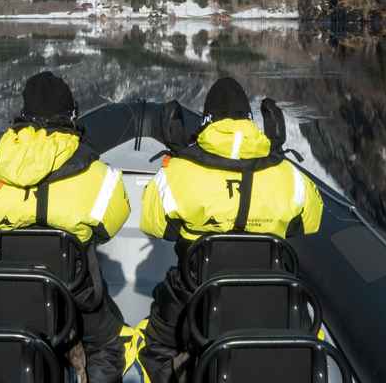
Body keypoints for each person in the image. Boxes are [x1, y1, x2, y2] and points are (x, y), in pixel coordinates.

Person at [137, 77, 323, 383]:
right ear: (250, 121)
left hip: (197, 297)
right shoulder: (287, 175)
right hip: (273, 298)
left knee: (157, 345)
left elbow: (153, 223)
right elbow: (311, 219)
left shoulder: (179, 173)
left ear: (207, 120)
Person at [0, 71, 131, 383]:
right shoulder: (100, 175)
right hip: (70, 301)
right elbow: (107, 228)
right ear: (71, 115)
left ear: (22, 114)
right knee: (107, 346)